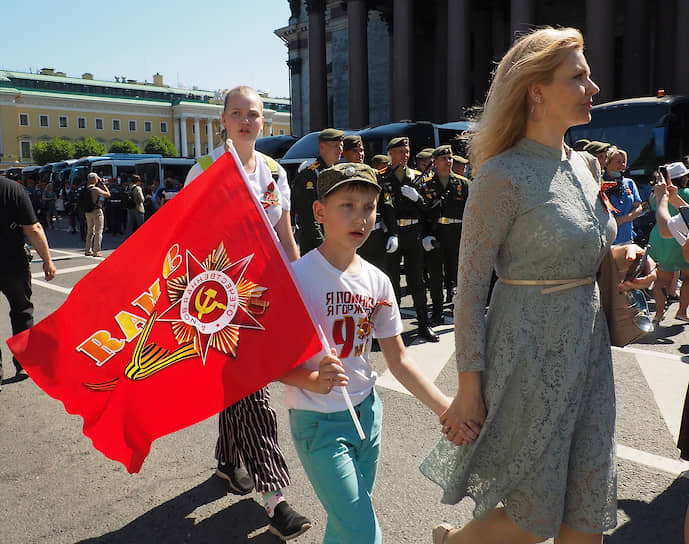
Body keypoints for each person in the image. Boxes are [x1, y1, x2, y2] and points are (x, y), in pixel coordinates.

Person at [420, 27, 629, 544]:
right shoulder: (502, 175)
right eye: (578, 77)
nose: (593, 87)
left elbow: (584, 246)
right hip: (528, 358)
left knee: (586, 514)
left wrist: (621, 257)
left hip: (589, 355)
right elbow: (468, 286)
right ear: (536, 91)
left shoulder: (583, 163)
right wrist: (469, 388)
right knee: (530, 520)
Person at [279, 162, 451, 543]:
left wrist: (446, 408)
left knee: (347, 525)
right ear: (319, 212)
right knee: (363, 531)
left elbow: (400, 360)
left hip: (367, 417)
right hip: (318, 423)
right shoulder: (296, 278)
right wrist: (312, 379)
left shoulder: (378, 280)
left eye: (369, 207)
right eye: (348, 206)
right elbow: (267, 362)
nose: (361, 217)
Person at [184, 85, 309, 541]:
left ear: (264, 122)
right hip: (221, 303)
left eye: (252, 114)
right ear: (222, 119)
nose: (244, 120)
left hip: (267, 296)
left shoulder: (275, 172)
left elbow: (286, 236)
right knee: (254, 392)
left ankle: (226, 461)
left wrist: (303, 286)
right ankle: (274, 496)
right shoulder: (203, 172)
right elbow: (188, 244)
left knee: (238, 389)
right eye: (236, 112)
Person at [380, 136, 439, 342]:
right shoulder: (383, 178)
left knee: (417, 281)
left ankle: (424, 325)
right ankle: (392, 330)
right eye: (400, 152)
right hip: (392, 235)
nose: (405, 156)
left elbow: (429, 208)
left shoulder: (416, 177)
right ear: (391, 153)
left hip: (413, 233)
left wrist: (418, 198)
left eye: (406, 152)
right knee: (392, 282)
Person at [0, 175, 57, 383]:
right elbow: (33, 228)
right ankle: (23, 365)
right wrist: (47, 260)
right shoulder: (14, 189)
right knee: (22, 311)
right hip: (13, 262)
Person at [421, 145, 471, 322]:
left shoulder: (463, 183)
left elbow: (471, 212)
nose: (448, 162)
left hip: (457, 233)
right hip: (436, 234)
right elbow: (423, 214)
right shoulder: (427, 185)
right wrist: (425, 236)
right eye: (444, 159)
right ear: (435, 162)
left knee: (459, 273)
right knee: (436, 275)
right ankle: (437, 311)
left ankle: (459, 310)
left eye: (450, 158)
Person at [648, 162, 689, 323]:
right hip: (678, 237)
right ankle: (682, 311)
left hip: (662, 238)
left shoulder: (658, 194)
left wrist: (661, 197)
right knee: (687, 278)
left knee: (662, 279)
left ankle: (658, 313)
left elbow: (664, 227)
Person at [292, 128, 344, 254]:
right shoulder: (311, 174)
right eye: (336, 146)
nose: (340, 150)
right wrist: (322, 244)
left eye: (341, 146)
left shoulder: (337, 173)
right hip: (316, 244)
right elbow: (308, 215)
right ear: (322, 147)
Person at [603, 146, 643, 244]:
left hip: (627, 236)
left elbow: (638, 208)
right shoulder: (600, 183)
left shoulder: (629, 183)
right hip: (608, 238)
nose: (623, 165)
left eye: (624, 162)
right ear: (607, 163)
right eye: (618, 162)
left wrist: (622, 219)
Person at [83, 173, 110, 257]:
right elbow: (108, 194)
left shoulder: (85, 189)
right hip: (96, 211)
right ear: (95, 179)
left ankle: (87, 250)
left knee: (90, 231)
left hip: (87, 211)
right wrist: (103, 185)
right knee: (98, 231)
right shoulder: (95, 189)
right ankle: (96, 251)